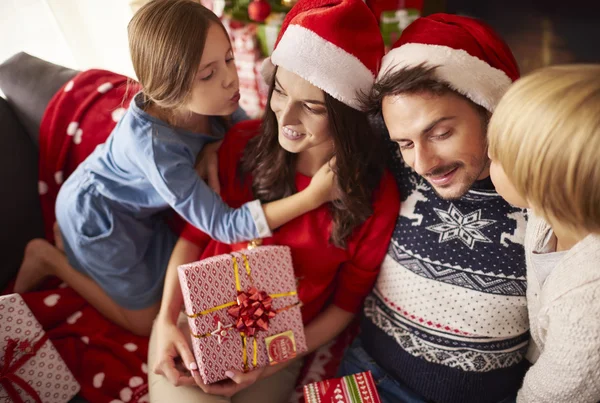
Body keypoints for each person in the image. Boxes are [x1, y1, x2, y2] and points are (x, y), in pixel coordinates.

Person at [14, 0, 336, 336]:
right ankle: (48, 258)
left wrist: (217, 143)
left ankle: (73, 249)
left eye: (228, 58)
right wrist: (313, 197)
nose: (230, 80)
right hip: (100, 215)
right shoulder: (156, 147)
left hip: (140, 209)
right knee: (144, 322)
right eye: (209, 74)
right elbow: (226, 226)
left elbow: (247, 135)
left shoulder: (214, 100)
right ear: (170, 89)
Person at [147, 0, 400, 401]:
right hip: (196, 322)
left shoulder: (377, 195)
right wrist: (164, 321)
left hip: (280, 345)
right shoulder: (239, 145)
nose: (286, 116)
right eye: (280, 91)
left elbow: (345, 306)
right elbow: (193, 238)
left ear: (348, 115)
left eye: (313, 107)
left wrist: (275, 360)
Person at [338, 14, 530, 403]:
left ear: (492, 110)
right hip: (365, 376)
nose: (424, 164)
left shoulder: (541, 200)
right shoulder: (399, 169)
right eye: (404, 143)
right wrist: (220, 145)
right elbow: (315, 106)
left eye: (440, 133)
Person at [487, 64, 600, 403]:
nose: (489, 153)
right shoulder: (552, 210)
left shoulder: (589, 309)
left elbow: (552, 394)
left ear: (548, 187)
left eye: (500, 157)